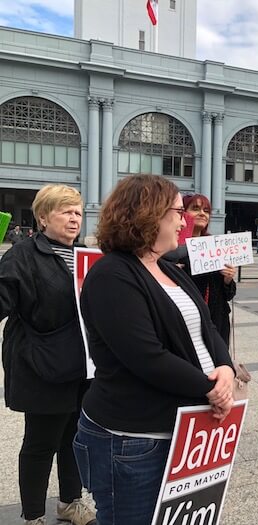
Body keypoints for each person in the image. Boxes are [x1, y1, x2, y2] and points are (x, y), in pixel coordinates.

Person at [73, 174, 235, 524]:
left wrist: (226, 367)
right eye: (177, 211)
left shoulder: (167, 269)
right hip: (131, 439)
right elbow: (146, 357)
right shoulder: (111, 275)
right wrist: (211, 389)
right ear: (148, 214)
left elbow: (206, 326)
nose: (184, 220)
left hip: (182, 430)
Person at [0, 184, 95, 525]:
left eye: (78, 212)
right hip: (41, 363)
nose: (74, 218)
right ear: (42, 217)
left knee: (75, 438)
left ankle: (70, 502)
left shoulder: (85, 255)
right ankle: (34, 515)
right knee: (40, 443)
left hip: (81, 366)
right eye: (65, 211)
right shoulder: (23, 255)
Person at [181, 193, 237, 342]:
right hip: (186, 321)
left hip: (216, 321)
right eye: (195, 208)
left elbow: (228, 295)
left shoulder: (216, 246)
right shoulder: (172, 247)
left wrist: (228, 279)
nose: (202, 213)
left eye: (206, 210)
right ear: (182, 212)